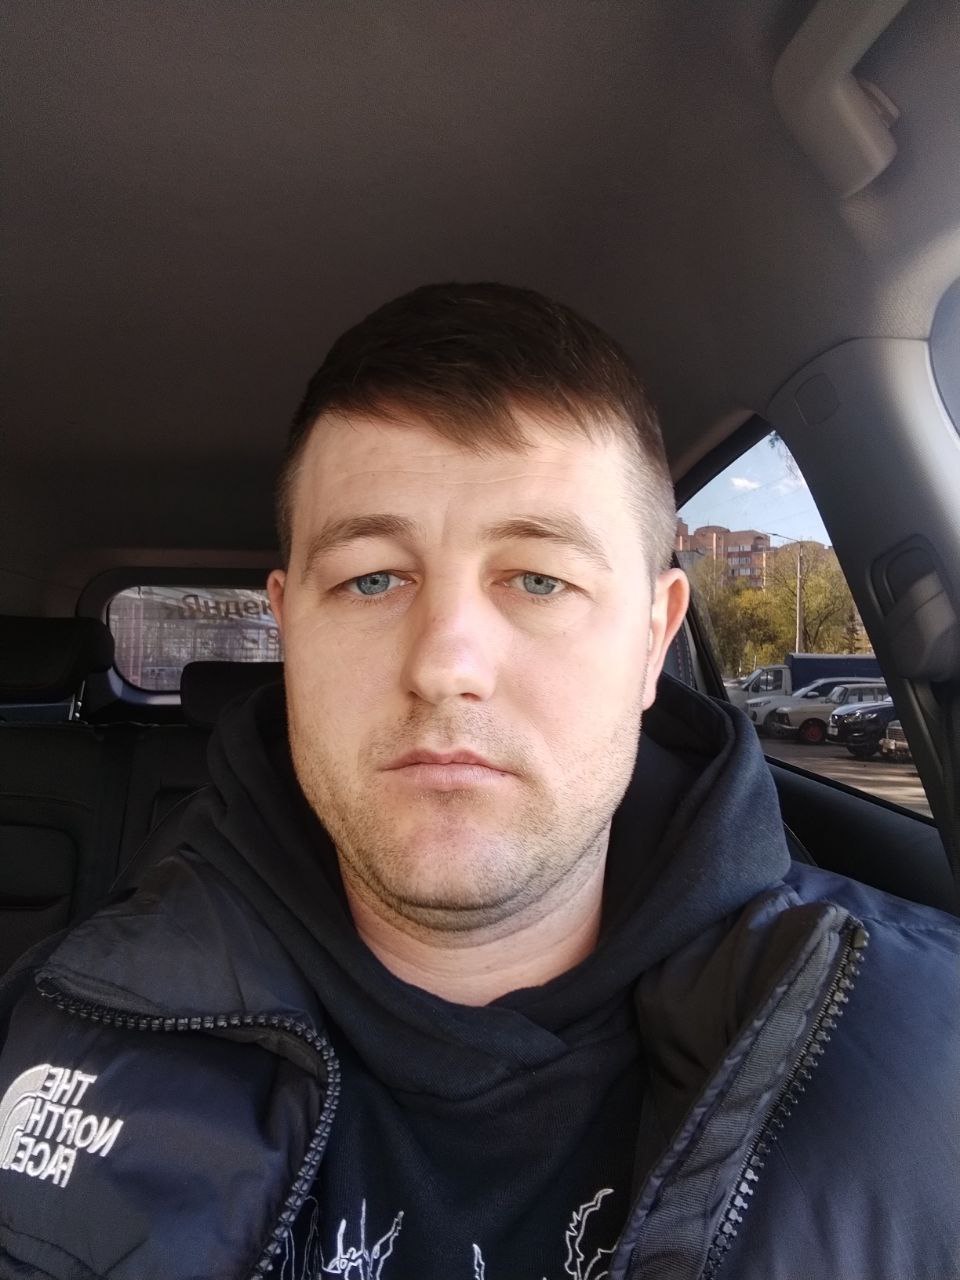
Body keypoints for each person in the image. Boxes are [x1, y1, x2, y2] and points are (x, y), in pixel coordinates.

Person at [0, 283, 957, 1280]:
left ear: (652, 640)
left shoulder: (930, 1069)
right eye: (372, 577)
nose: (444, 663)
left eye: (539, 578)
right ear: (290, 631)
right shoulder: (66, 1045)